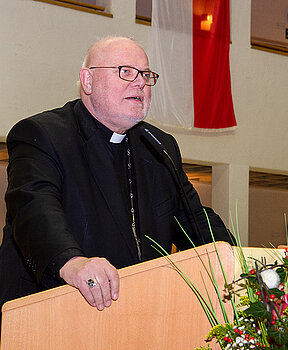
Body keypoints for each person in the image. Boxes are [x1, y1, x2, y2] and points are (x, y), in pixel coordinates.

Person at [0, 37, 232, 320]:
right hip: (47, 314)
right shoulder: (42, 134)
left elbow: (194, 219)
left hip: (136, 314)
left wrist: (239, 260)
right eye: (125, 71)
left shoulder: (159, 146)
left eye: (146, 75)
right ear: (88, 80)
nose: (140, 83)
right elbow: (34, 209)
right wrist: (72, 263)